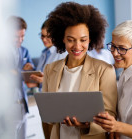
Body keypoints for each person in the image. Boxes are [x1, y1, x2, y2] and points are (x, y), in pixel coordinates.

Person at [42, 2, 118, 139]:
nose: (77, 46)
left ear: (91, 39)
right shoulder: (50, 69)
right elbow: (46, 115)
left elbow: (110, 114)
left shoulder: (104, 70)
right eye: (71, 40)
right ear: (62, 39)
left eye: (83, 40)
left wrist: (86, 125)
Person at [7, 16, 35, 139]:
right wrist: (22, 71)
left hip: (22, 104)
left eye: (22, 36)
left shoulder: (24, 51)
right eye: (16, 37)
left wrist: (20, 71)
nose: (20, 40)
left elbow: (32, 72)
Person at [26, 20, 67, 89]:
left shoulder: (62, 53)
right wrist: (32, 69)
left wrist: (44, 80)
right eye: (42, 36)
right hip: (44, 93)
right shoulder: (44, 53)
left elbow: (64, 80)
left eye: (48, 36)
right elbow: (43, 75)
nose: (44, 40)